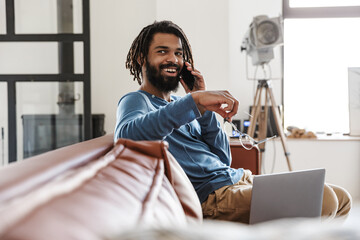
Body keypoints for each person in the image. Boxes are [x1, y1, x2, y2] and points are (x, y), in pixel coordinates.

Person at [114, 20, 352, 223]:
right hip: (214, 197)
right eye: (162, 51)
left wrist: (204, 108)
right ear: (141, 58)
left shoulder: (183, 104)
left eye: (178, 53)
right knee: (325, 199)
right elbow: (126, 136)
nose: (173, 59)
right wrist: (194, 101)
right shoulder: (136, 101)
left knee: (342, 198)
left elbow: (223, 157)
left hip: (238, 178)